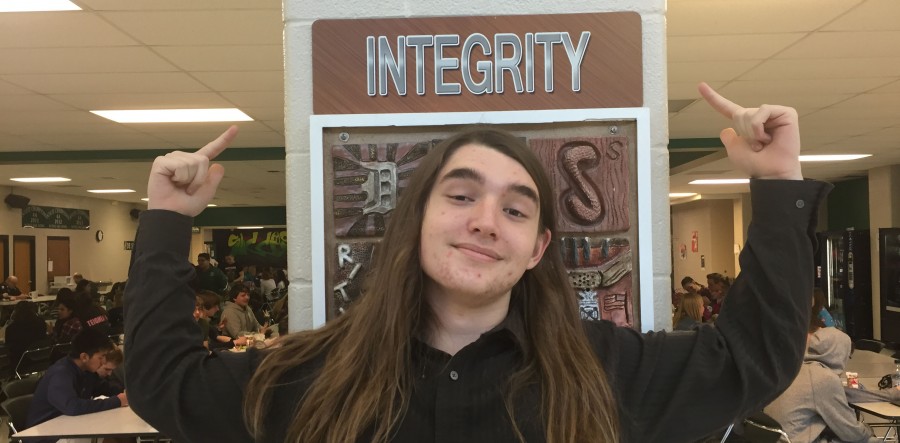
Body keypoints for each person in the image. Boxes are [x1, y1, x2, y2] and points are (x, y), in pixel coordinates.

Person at [125, 83, 831, 442]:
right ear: (415, 221)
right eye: (461, 194)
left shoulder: (610, 372)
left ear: (538, 249)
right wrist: (165, 221)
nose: (486, 219)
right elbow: (164, 385)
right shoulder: (308, 378)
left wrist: (777, 185)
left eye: (517, 209)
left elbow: (755, 357)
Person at [764, 326, 880, 443]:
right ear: (839, 352)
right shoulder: (823, 378)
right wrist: (868, 430)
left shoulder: (793, 368)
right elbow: (850, 431)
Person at [26, 329, 128, 432]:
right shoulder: (61, 373)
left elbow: (106, 388)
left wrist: (129, 394)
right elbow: (73, 407)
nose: (104, 362)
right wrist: (117, 401)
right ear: (84, 357)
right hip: (45, 435)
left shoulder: (86, 371)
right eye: (101, 357)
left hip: (68, 427)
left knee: (120, 435)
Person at [4, 301, 50, 377]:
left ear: (16, 312)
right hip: (40, 359)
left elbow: (8, 346)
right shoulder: (41, 323)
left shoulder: (11, 328)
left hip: (20, 362)